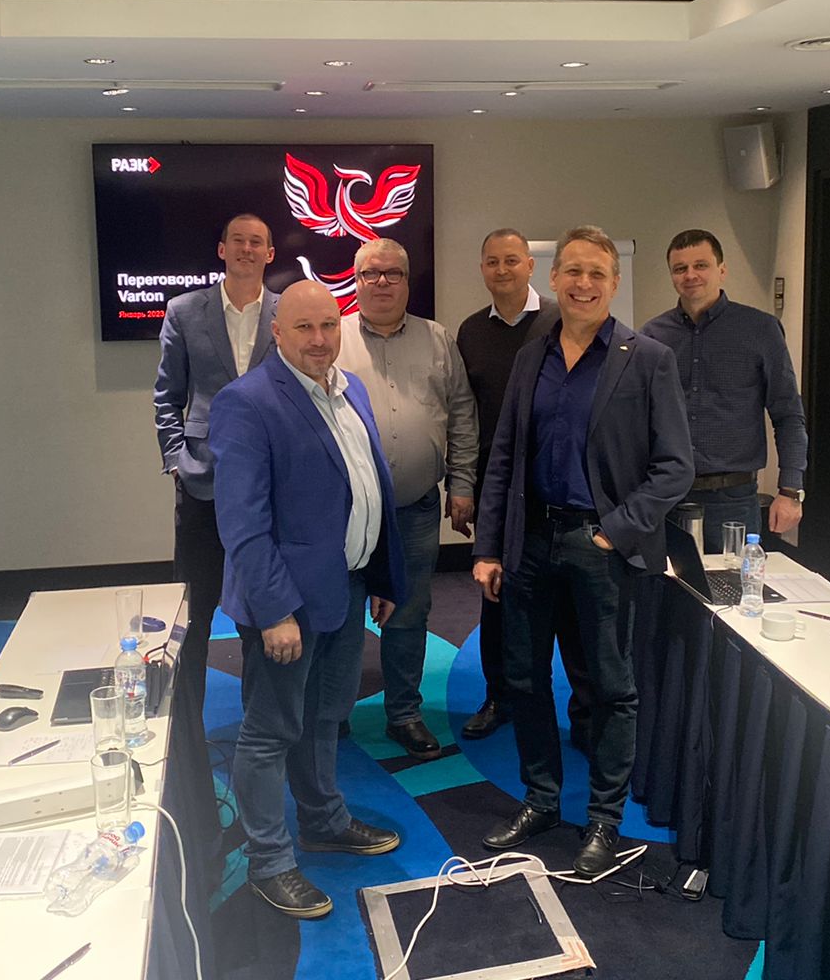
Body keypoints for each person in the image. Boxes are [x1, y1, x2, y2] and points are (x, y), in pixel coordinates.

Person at [472, 226, 694, 876]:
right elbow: (504, 458)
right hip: (530, 542)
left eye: (597, 273)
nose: (583, 283)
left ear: (615, 283)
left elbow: (675, 467)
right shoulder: (531, 358)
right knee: (524, 678)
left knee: (610, 687)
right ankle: (541, 799)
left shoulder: (647, 359)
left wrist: (614, 531)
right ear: (554, 278)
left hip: (602, 544)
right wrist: (489, 546)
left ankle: (603, 819)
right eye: (572, 270)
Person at [210, 280, 409, 918]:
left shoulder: (349, 391)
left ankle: (324, 821)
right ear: (277, 332)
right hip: (287, 604)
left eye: (329, 325)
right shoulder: (247, 402)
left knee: (325, 717)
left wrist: (380, 577)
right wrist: (274, 611)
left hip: (345, 588)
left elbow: (367, 489)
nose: (320, 339)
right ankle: (269, 860)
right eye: (304, 327)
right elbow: (243, 523)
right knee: (270, 731)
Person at [335, 238, 477, 760]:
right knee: (341, 614)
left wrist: (462, 482)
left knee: (410, 614)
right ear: (356, 281)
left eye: (392, 273)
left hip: (415, 508)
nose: (381, 282)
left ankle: (404, 714)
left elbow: (461, 413)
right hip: (348, 512)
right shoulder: (333, 338)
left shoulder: (437, 339)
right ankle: (333, 714)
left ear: (407, 281)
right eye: (370, 273)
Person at [455, 229, 590, 745]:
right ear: (482, 269)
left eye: (512, 260)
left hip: (560, 486)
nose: (503, 269)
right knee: (496, 597)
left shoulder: (560, 319)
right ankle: (499, 697)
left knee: (572, 607)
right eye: (493, 261)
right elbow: (465, 415)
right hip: (498, 487)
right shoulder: (471, 331)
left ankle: (585, 712)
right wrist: (465, 483)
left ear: (532, 266)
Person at [153, 213, 279, 695]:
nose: (247, 249)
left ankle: (262, 720)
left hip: (269, 484)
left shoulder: (286, 312)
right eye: (238, 241)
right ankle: (187, 725)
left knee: (263, 611)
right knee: (194, 614)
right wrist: (175, 461)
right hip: (202, 478)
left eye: (257, 242)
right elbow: (167, 395)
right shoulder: (185, 311)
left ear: (270, 254)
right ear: (222, 250)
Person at [638, 229, 807, 551]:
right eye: (680, 268)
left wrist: (790, 491)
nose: (690, 275)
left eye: (701, 265)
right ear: (672, 276)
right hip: (665, 496)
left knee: (731, 582)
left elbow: (788, 415)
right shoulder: (652, 337)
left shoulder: (760, 329)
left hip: (733, 500)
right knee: (664, 582)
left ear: (722, 270)